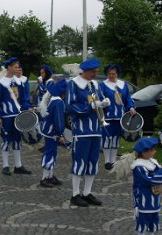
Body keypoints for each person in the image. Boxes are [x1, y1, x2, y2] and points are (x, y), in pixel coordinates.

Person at [66, 58, 109, 207]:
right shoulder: (73, 84)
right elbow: (70, 106)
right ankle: (75, 194)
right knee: (80, 162)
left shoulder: (94, 84)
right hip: (82, 131)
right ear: (84, 71)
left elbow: (99, 102)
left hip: (96, 129)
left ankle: (87, 193)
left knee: (93, 162)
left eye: (96, 71)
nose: (95, 74)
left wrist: (104, 103)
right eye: (92, 72)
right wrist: (90, 106)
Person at [131, 137, 162, 235]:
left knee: (153, 218)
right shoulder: (139, 167)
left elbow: (159, 174)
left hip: (154, 197)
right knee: (143, 219)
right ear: (144, 152)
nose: (154, 152)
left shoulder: (152, 162)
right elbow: (149, 180)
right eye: (151, 150)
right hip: (144, 197)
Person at [0, 57, 33, 175]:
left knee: (17, 140)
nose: (17, 69)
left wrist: (27, 107)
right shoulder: (1, 83)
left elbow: (24, 98)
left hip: (18, 116)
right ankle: (5, 166)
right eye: (15, 67)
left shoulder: (19, 82)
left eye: (18, 66)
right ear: (9, 67)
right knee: (6, 140)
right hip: (6, 116)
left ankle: (18, 165)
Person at [99, 63, 137, 170]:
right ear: (107, 74)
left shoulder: (123, 84)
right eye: (109, 73)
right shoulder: (103, 85)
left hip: (120, 117)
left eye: (113, 73)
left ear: (117, 73)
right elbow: (100, 99)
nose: (111, 75)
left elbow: (128, 99)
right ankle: (107, 161)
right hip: (107, 116)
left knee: (116, 138)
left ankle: (113, 160)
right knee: (107, 138)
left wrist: (131, 107)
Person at [37, 78, 67, 188]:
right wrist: (60, 134)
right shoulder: (58, 102)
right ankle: (44, 178)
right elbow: (58, 120)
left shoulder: (52, 98)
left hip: (48, 131)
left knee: (52, 153)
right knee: (50, 153)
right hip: (52, 132)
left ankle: (50, 176)